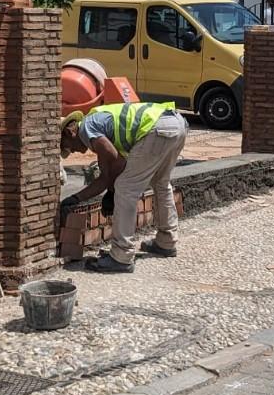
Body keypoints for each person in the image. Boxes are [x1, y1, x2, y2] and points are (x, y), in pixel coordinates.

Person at [59, 102, 188, 273]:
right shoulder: (98, 128)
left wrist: (112, 193)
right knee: (161, 183)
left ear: (70, 132)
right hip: (176, 124)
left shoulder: (87, 129)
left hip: (156, 129)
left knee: (126, 188)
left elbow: (116, 160)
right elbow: (105, 178)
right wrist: (75, 199)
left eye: (68, 146)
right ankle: (166, 242)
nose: (74, 151)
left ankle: (121, 256)